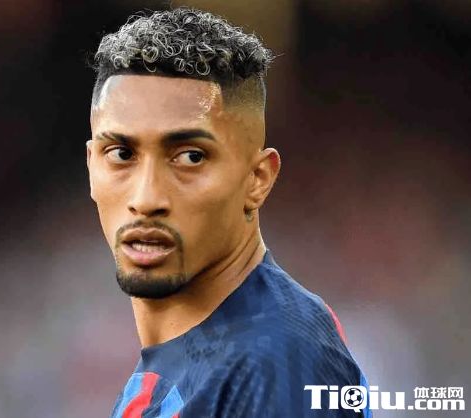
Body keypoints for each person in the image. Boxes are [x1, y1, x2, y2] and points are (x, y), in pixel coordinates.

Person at [86, 7, 371, 418]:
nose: (146, 198)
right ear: (91, 166)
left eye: (190, 156)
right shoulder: (198, 358)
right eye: (121, 153)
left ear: (257, 179)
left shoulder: (273, 360)